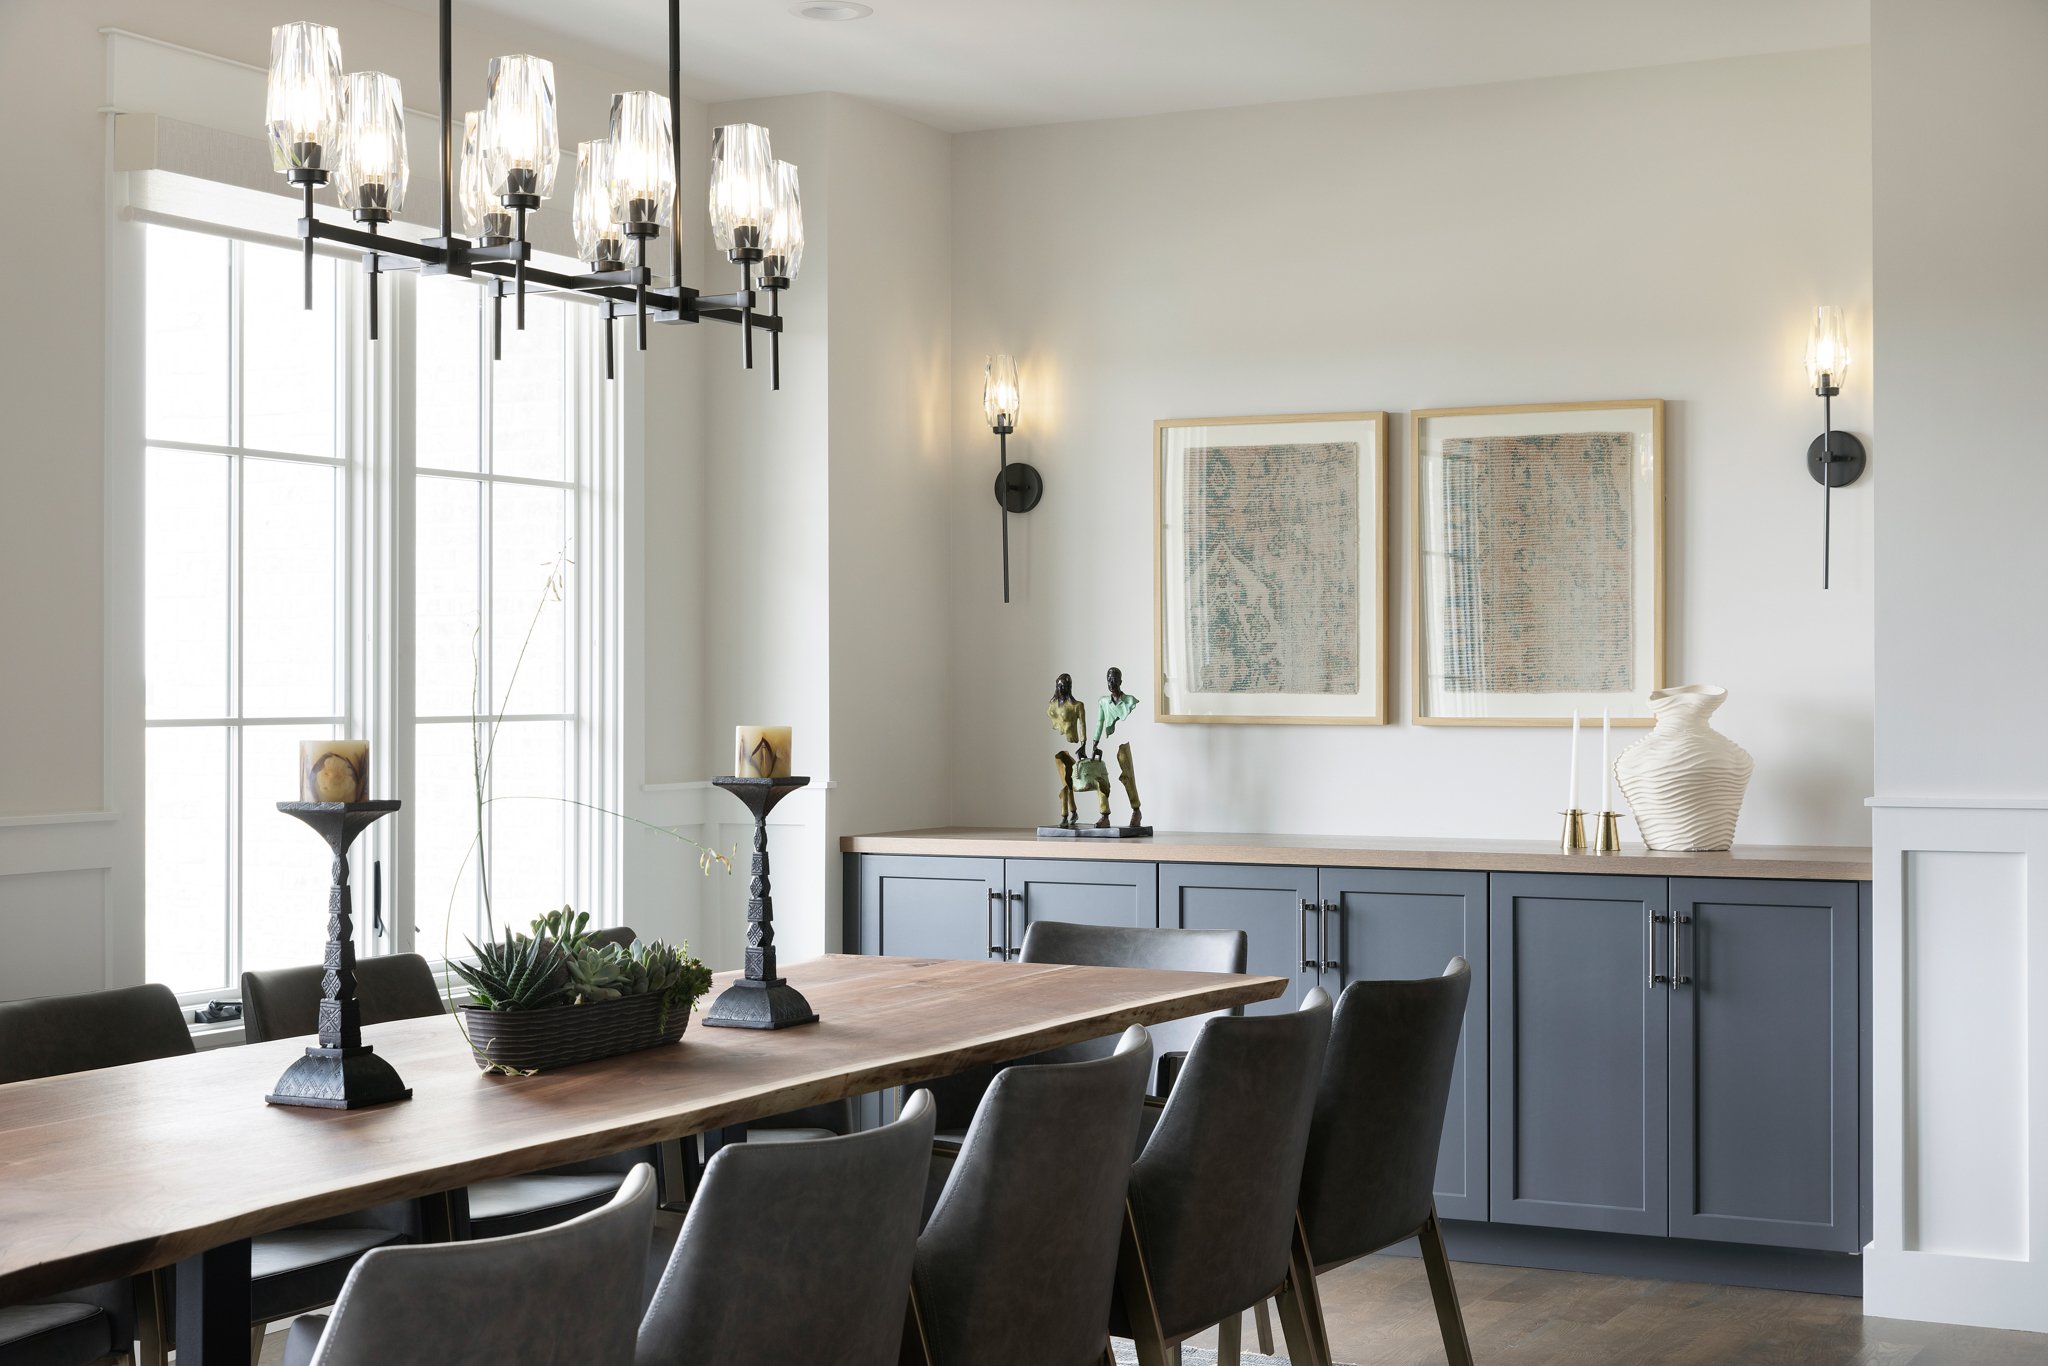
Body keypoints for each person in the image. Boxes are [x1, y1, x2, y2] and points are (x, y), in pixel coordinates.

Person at [1092, 666, 1142, 830]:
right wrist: (1094, 742)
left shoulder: (1130, 701)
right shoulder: (1103, 702)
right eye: (1109, 679)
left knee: (1127, 777)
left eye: (1114, 679)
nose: (1111, 682)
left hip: (1123, 744)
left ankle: (1136, 810)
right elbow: (1100, 722)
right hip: (1108, 742)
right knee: (1101, 779)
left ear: (1120, 681)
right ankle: (1104, 815)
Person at [1046, 673, 1087, 829]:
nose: (1061, 687)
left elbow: (1083, 725)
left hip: (1071, 745)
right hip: (1055, 746)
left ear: (1070, 687)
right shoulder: (1053, 704)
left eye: (1064, 685)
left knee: (1066, 784)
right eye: (1059, 684)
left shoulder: (1077, 706)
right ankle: (1072, 812)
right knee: (1066, 785)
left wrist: (1083, 744)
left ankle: (1065, 815)